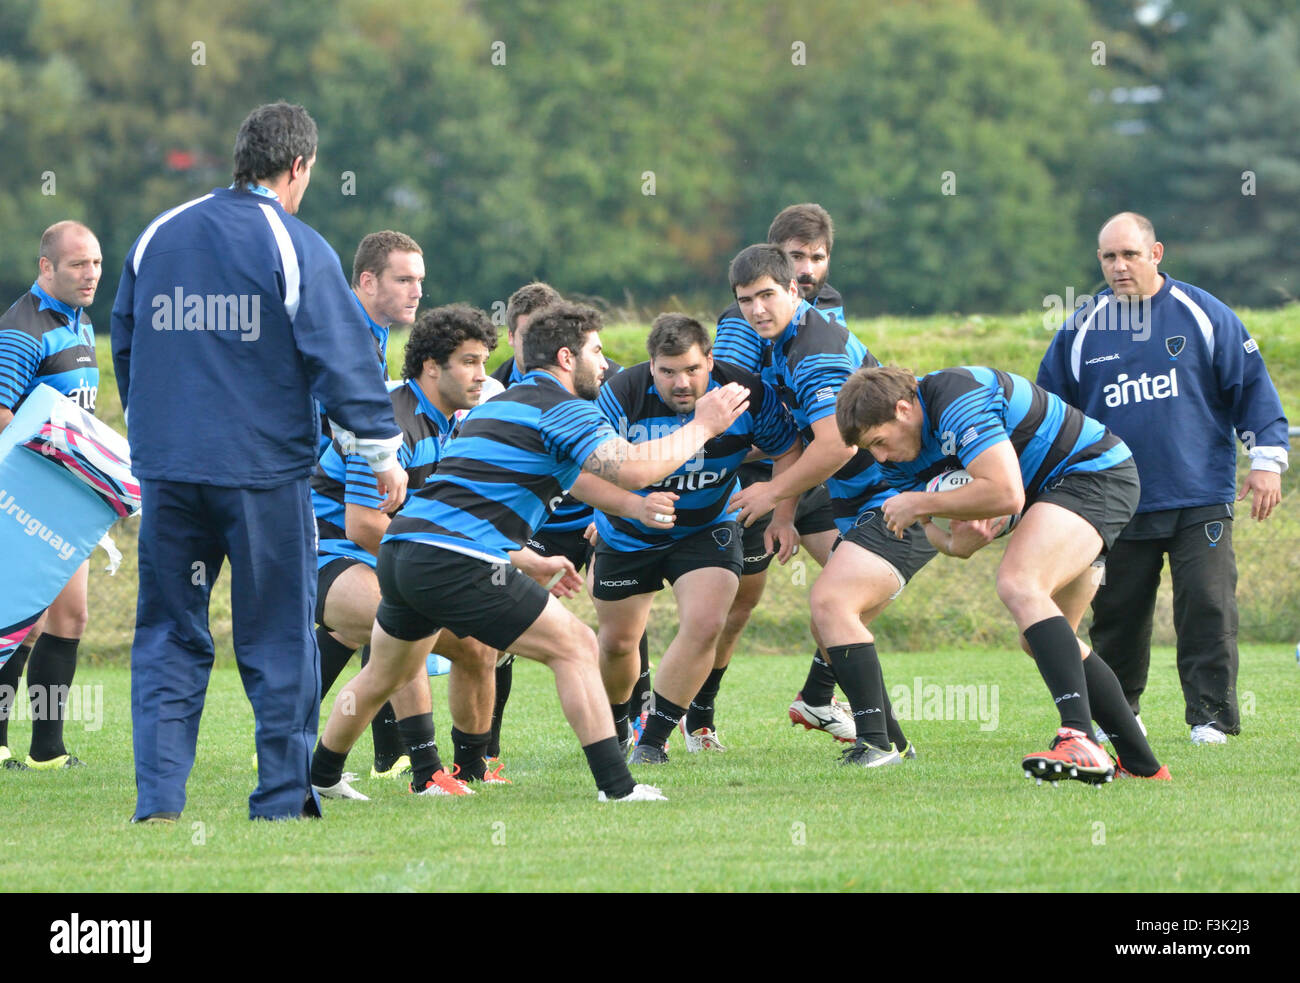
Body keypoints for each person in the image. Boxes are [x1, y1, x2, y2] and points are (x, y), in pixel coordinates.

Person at [308, 301, 750, 803]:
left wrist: (630, 508)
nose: (605, 363)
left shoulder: (503, 404)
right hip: (453, 559)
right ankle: (618, 788)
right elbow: (632, 467)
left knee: (384, 672)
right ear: (567, 357)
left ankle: (320, 774)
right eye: (596, 351)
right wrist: (704, 426)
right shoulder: (562, 407)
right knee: (578, 646)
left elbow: (581, 478)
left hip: (403, 550)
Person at [110, 102, 407, 823]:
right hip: (262, 477)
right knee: (276, 634)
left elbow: (125, 347)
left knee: (168, 635)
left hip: (171, 474)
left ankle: (159, 803)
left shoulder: (157, 235)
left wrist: (156, 439)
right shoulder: (295, 242)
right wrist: (382, 455)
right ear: (298, 166)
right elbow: (342, 360)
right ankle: (279, 799)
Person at [837, 364, 1169, 781]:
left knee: (1019, 583)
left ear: (903, 409)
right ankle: (1143, 766)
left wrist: (921, 504)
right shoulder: (900, 460)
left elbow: (1006, 492)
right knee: (1045, 640)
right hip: (1048, 495)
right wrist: (954, 538)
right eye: (871, 449)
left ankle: (1080, 737)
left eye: (880, 442)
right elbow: (951, 543)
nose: (880, 457)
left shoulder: (956, 397)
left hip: (1092, 472)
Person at [1037, 212, 1288, 745]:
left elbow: (1253, 392)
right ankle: (1119, 716)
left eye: (1129, 253)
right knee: (1118, 614)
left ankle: (1211, 719)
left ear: (1156, 253)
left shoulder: (1203, 313)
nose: (1119, 265)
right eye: (1108, 256)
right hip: (1115, 500)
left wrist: (1266, 462)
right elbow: (1051, 415)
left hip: (1201, 494)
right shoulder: (1081, 330)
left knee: (1208, 603)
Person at [726, 244, 920, 765]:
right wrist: (785, 516)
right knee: (831, 619)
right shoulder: (778, 343)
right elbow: (794, 437)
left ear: (794, 290)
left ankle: (876, 743)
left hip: (902, 497)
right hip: (863, 500)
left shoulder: (814, 350)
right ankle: (891, 741)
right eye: (746, 300)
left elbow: (836, 444)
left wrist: (768, 494)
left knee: (832, 606)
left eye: (767, 295)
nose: (756, 310)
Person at [310, 305, 503, 797]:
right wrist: (433, 566)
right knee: (405, 626)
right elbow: (362, 524)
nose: (483, 375)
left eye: (485, 362)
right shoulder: (387, 422)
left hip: (386, 559)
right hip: (323, 555)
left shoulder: (450, 423)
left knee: (480, 646)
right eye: (471, 362)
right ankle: (425, 773)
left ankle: (469, 769)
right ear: (432, 367)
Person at [592, 313, 800, 761]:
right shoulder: (621, 393)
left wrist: (783, 512)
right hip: (629, 534)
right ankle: (616, 726)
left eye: (691, 369)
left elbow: (788, 449)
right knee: (618, 644)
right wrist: (630, 504)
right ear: (651, 367)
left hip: (708, 526)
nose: (680, 382)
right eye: (667, 371)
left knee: (707, 623)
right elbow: (584, 468)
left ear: (710, 359)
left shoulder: (744, 394)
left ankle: (652, 743)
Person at [705, 204, 852, 745]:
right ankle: (698, 714)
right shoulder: (741, 322)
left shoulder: (828, 311)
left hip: (814, 469)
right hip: (759, 472)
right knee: (737, 606)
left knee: (856, 581)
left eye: (817, 257)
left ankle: (817, 697)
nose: (808, 269)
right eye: (796, 258)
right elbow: (731, 407)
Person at [486, 281, 645, 759]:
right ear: (512, 336)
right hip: (534, 529)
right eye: (529, 331)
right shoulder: (495, 385)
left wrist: (609, 508)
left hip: (597, 515)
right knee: (498, 628)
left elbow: (622, 456)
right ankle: (483, 751)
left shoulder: (602, 378)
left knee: (619, 623)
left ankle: (630, 725)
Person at [312, 229, 427, 778]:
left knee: (361, 625)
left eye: (420, 281)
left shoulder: (370, 334)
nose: (416, 291)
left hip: (330, 504)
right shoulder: (346, 335)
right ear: (366, 280)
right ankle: (422, 766)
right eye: (403, 279)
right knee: (399, 616)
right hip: (305, 507)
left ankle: (390, 756)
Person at [0, 221, 103, 770]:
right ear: (47, 267)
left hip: (71, 500)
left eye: (96, 264)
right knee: (22, 618)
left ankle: (47, 750)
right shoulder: (23, 328)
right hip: (27, 500)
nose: (91, 276)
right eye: (77, 265)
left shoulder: (80, 324)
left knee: (69, 620)